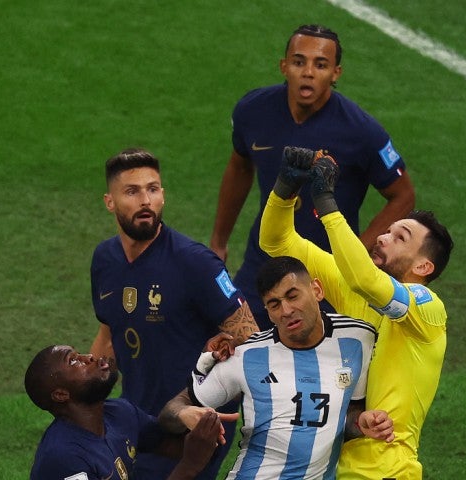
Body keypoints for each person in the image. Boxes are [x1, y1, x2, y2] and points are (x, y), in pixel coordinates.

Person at [258, 147, 454, 479]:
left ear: (423, 265)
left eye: (399, 238)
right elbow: (276, 243)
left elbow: (366, 279)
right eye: (388, 230)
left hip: (388, 471)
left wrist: (326, 203)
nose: (382, 237)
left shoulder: (427, 309)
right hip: (334, 468)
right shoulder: (355, 290)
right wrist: (285, 189)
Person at [210, 24, 416, 330]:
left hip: (329, 278)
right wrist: (219, 241)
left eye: (320, 65)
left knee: (319, 372)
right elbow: (240, 167)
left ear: (336, 73)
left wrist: (358, 253)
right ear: (284, 66)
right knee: (237, 351)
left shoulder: (361, 131)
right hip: (263, 263)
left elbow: (403, 195)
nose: (308, 72)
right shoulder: (252, 111)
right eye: (299, 61)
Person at [89, 148, 259, 479]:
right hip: (135, 420)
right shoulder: (105, 260)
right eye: (132, 191)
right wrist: (84, 405)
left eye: (152, 189)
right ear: (110, 202)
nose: (145, 201)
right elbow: (108, 337)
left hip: (190, 429)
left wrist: (208, 399)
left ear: (163, 195)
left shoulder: (195, 263)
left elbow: (251, 339)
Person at [159, 256, 395, 479]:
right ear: (268, 313)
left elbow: (348, 409)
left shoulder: (358, 339)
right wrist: (183, 413)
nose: (286, 311)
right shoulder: (247, 355)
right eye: (274, 304)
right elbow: (170, 413)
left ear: (317, 290)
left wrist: (360, 422)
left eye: (293, 296)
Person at [25, 344, 233, 480]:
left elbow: (174, 443)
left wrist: (207, 376)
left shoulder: (119, 413)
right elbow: (189, 457)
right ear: (61, 394)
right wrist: (190, 466)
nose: (88, 356)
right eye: (73, 361)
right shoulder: (64, 458)